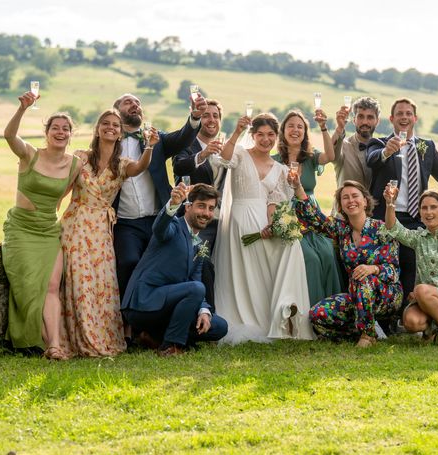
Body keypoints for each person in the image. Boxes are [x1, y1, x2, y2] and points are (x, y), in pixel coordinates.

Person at [58, 109, 159, 358]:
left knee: (102, 283)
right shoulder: (81, 157)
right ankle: (78, 335)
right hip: (76, 224)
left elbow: (140, 167)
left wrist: (150, 147)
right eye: (105, 123)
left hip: (102, 230)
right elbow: (64, 185)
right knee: (79, 281)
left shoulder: (122, 166)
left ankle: (101, 334)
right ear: (98, 128)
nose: (110, 127)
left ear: (120, 132)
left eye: (115, 124)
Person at [212, 113, 314, 343]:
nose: (266, 139)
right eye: (260, 134)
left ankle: (284, 310)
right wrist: (237, 131)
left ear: (276, 137)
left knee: (291, 246)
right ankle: (245, 315)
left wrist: (272, 224)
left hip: (262, 222)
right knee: (243, 271)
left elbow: (274, 202)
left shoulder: (279, 168)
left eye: (270, 135)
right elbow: (223, 158)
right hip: (238, 220)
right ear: (253, 135)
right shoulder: (239, 153)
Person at [1, 91, 79, 359]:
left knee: (51, 285)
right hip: (21, 228)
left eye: (65, 128)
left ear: (71, 134)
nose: (60, 132)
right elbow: (9, 136)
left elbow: (66, 197)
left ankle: (54, 346)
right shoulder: (30, 154)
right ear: (47, 132)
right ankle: (38, 340)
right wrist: (22, 109)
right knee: (26, 285)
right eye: (55, 128)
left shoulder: (75, 164)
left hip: (48, 230)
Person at [112, 93, 206, 307]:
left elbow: (183, 137)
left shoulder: (155, 138)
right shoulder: (111, 142)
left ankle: (157, 319)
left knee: (162, 267)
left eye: (137, 102)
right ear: (117, 111)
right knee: (128, 262)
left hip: (159, 218)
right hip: (126, 222)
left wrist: (194, 117)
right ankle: (128, 319)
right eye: (128, 102)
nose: (134, 105)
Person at [366, 98, 438, 313]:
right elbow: (372, 160)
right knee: (384, 266)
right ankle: (382, 317)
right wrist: (387, 152)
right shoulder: (379, 144)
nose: (404, 117)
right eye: (400, 113)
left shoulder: (427, 146)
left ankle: (405, 316)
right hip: (386, 217)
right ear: (392, 119)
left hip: (416, 219)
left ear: (414, 118)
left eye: (408, 113)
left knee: (411, 267)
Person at [290, 179, 402, 347]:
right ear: (341, 205)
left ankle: (368, 335)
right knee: (318, 314)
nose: (351, 200)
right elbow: (314, 218)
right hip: (357, 296)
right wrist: (298, 187)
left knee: (363, 277)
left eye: (355, 196)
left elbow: (393, 271)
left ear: (365, 201)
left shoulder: (382, 229)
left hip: (386, 294)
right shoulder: (341, 230)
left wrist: (373, 269)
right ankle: (365, 328)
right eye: (345, 198)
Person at [122, 183, 228, 355]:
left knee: (219, 327)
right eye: (201, 206)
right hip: (144, 303)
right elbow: (159, 227)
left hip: (170, 307)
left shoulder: (199, 245)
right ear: (187, 207)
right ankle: (171, 345)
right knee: (196, 289)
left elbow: (195, 281)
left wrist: (203, 311)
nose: (206, 213)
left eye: (211, 208)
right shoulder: (172, 228)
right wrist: (172, 204)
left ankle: (152, 337)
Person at [272, 109, 342, 306]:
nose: (295, 130)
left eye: (300, 126)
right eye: (291, 126)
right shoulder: (275, 161)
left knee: (328, 253)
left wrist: (323, 126)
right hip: (288, 217)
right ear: (283, 131)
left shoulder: (311, 158)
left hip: (311, 214)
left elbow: (330, 154)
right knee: (309, 258)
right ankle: (310, 308)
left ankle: (332, 308)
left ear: (305, 132)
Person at [384, 187, 438, 348]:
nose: (428, 212)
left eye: (433, 207)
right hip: (423, 298)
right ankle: (431, 331)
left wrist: (420, 291)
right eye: (424, 208)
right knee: (410, 322)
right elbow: (393, 228)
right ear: (420, 214)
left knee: (422, 289)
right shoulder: (419, 238)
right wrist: (390, 204)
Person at [173, 99, 227, 252]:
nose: (212, 120)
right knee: (198, 265)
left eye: (215, 116)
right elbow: (179, 167)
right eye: (206, 115)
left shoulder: (226, 150)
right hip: (196, 221)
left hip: (223, 222)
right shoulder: (185, 144)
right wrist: (203, 154)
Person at [331, 96, 379, 198]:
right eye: (360, 116)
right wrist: (339, 128)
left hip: (372, 213)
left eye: (370, 117)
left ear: (377, 121)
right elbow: (331, 154)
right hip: (343, 212)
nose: (365, 122)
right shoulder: (343, 145)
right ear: (354, 120)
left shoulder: (382, 149)